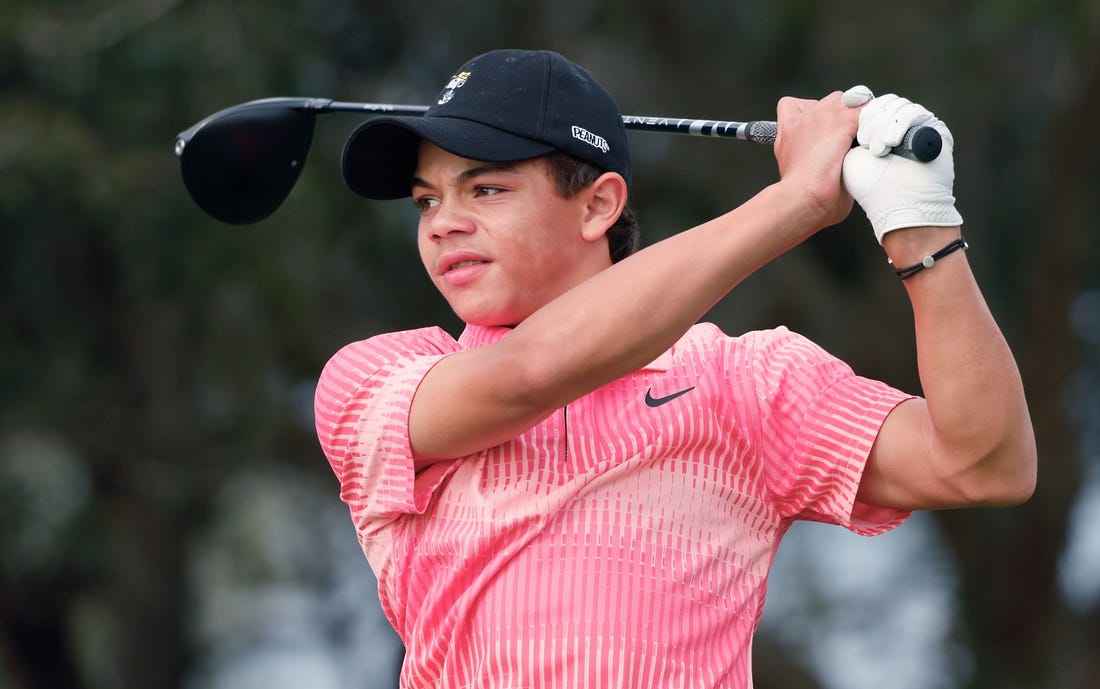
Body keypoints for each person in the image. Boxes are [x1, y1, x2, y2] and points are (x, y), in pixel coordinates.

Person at [314, 48, 1036, 688]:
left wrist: (923, 224)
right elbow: (530, 370)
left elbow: (983, 463)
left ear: (598, 204)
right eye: (426, 200)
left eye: (485, 189)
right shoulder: (377, 380)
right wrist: (794, 201)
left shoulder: (743, 381)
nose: (442, 222)